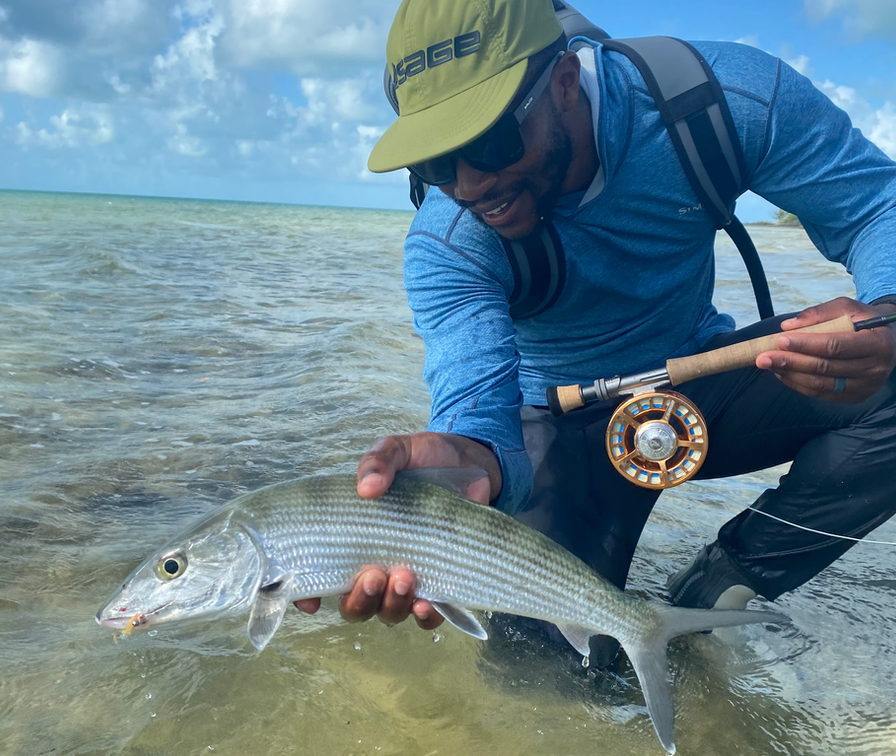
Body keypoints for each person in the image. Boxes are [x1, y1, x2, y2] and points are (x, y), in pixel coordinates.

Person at [295, 0, 896, 666]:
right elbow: (475, 407)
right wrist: (474, 459)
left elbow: (877, 205)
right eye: (436, 164)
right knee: (542, 679)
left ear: (561, 81)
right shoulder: (449, 243)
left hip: (701, 382)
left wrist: (888, 312)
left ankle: (727, 586)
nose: (468, 185)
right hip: (553, 429)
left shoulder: (717, 101)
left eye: (490, 143)